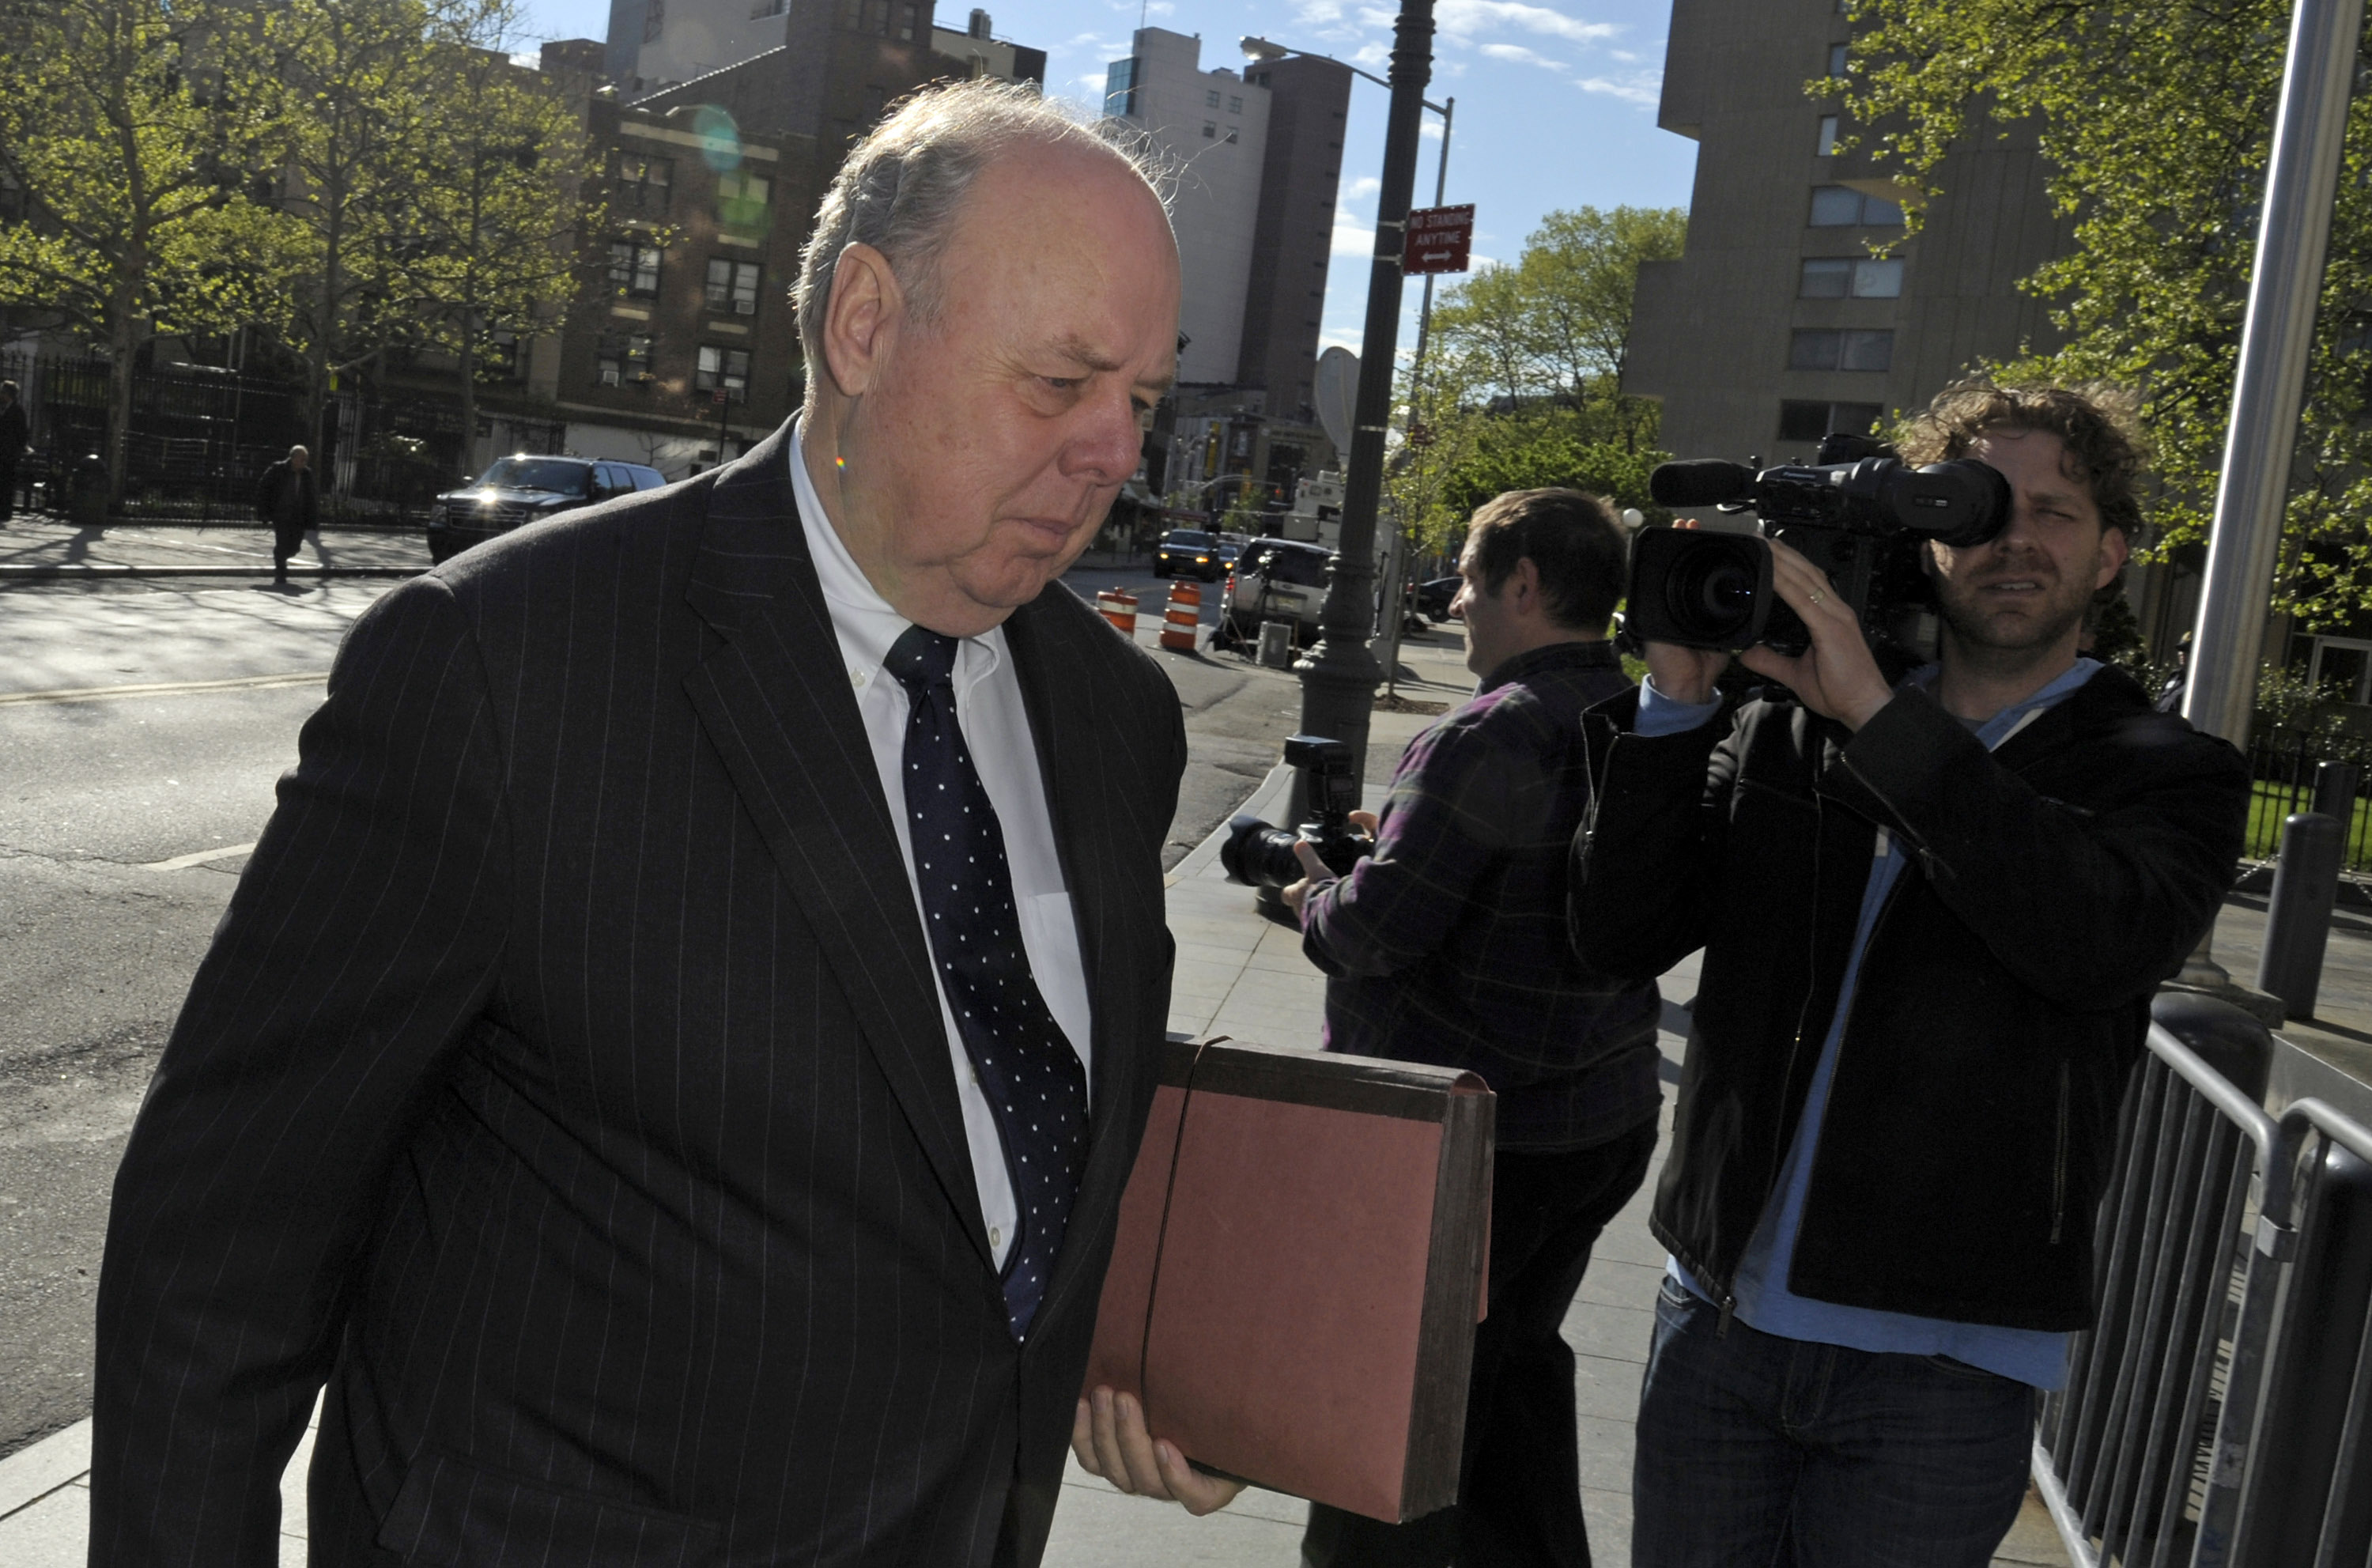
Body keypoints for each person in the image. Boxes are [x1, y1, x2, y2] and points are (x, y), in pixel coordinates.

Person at [93, 80, 1223, 1567]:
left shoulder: (1118, 717)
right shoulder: (508, 662)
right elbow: (218, 1248)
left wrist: (1143, 1342)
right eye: (1060, 381)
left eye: (1140, 400)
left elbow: (986, 1135)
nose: (1114, 455)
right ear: (866, 324)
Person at [1569, 381, 2249, 1566]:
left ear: (2111, 556)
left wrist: (1881, 717)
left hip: (1943, 1364)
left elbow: (2095, 936)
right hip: (1717, 1323)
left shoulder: (2169, 772)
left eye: (2054, 510)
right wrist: (1677, 701)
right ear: (1926, 544)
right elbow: (1620, 934)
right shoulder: (1789, 723)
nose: (2014, 539)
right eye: (1977, 509)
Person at [1282, 488, 1662, 1568]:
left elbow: (1380, 926)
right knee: (1512, 1369)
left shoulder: (1492, 729)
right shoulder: (1644, 722)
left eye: (1468, 576)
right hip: (1598, 1122)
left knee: (1394, 1409)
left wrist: (1317, 892)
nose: (1455, 602)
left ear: (1526, 584)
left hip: (1469, 1146)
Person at [255, 443, 317, 584]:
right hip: (281, 514)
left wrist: (312, 519)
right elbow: (263, 488)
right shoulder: (278, 469)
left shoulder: (307, 474)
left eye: (306, 459)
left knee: (295, 547)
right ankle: (281, 574)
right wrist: (264, 511)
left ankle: (280, 556)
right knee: (282, 543)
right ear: (294, 458)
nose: (304, 462)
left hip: (298, 516)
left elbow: (310, 497)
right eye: (302, 459)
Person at [0, 380, 26, 523]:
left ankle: (5, 512)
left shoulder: (17, 410)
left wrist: (17, 451)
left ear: (8, 394)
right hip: (4, 452)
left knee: (7, 483)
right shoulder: (6, 408)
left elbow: (22, 433)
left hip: (9, 454)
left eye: (2, 392)